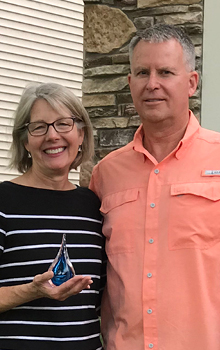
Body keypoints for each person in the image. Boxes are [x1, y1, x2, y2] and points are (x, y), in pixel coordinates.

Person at [89, 24, 220, 350]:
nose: (152, 84)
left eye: (165, 72)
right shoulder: (106, 174)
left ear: (191, 83)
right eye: (142, 73)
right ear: (130, 83)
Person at [0, 82, 105, 350]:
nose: (52, 135)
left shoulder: (95, 207)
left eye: (64, 124)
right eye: (39, 127)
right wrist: (30, 291)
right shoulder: (4, 201)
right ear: (24, 140)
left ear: (81, 134)